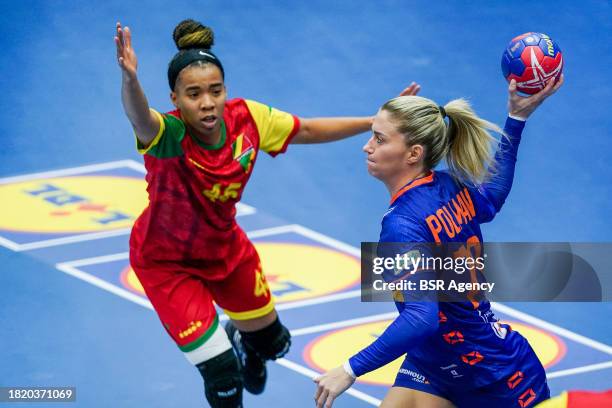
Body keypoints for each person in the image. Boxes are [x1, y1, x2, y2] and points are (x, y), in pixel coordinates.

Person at [114, 18, 419, 408]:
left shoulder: (248, 119)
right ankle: (231, 356)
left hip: (225, 249)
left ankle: (246, 341)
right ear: (174, 99)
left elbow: (306, 129)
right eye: (193, 94)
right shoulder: (168, 136)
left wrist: (373, 123)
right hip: (166, 262)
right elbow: (140, 117)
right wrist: (130, 80)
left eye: (215, 91)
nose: (207, 102)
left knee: (276, 344)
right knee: (223, 375)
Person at [314, 76, 564, 408]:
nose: (367, 146)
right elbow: (491, 199)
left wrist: (349, 369)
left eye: (379, 138)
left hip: (494, 379)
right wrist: (515, 119)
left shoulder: (401, 226)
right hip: (433, 361)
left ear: (413, 153)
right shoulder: (445, 184)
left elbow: (421, 316)